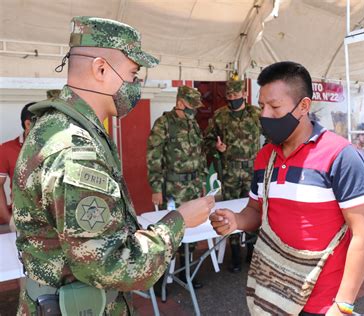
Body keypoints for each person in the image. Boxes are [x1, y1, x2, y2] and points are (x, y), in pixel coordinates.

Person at [12, 16, 214, 315]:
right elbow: (110, 265)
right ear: (100, 69)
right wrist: (179, 221)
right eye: (133, 73)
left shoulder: (56, 126)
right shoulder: (75, 149)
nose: (136, 84)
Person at [210, 61, 364, 315]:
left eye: (274, 107)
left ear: (304, 106)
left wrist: (344, 304)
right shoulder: (264, 157)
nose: (265, 115)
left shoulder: (340, 156)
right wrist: (236, 221)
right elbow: (256, 211)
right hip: (272, 294)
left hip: (323, 303)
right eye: (262, 106)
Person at [147, 85, 208, 288]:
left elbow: (200, 154)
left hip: (192, 186)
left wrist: (202, 181)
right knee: (169, 232)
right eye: (192, 105)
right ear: (180, 102)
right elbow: (153, 157)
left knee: (190, 231)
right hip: (172, 188)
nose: (195, 110)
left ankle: (187, 272)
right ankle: (160, 279)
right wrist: (156, 189)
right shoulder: (163, 124)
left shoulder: (193, 125)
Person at [204, 79, 262, 272]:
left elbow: (271, 134)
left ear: (244, 95)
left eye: (236, 96)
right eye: (229, 96)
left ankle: (252, 251)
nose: (233, 99)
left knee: (253, 209)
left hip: (252, 171)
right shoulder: (220, 116)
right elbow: (208, 138)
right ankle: (235, 253)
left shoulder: (256, 114)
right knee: (230, 210)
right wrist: (217, 146)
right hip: (229, 171)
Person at [0, 102, 35, 233]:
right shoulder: (6, 149)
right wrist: (8, 218)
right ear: (28, 124)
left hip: (52, 222)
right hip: (21, 219)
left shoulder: (57, 147)